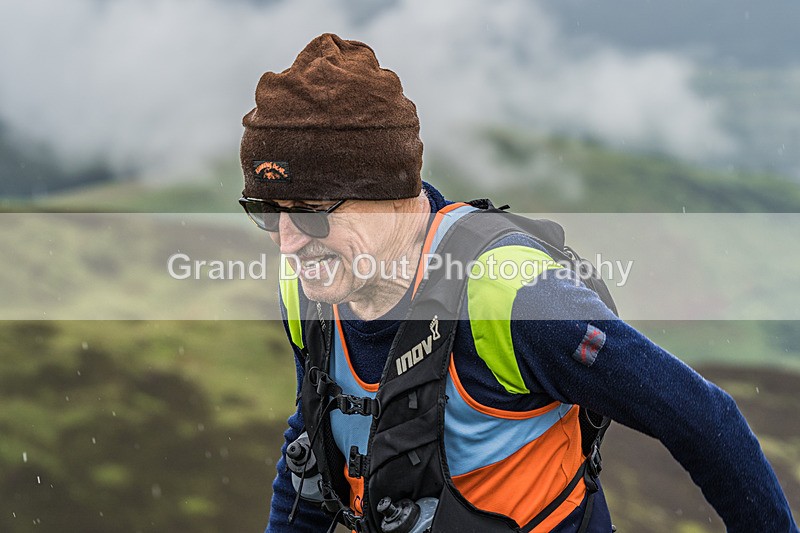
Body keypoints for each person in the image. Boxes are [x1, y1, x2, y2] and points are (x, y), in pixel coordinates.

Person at [238, 33, 797, 533]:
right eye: (267, 213)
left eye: (312, 213)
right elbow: (316, 435)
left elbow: (703, 419)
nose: (287, 243)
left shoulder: (515, 298)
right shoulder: (310, 285)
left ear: (392, 192)